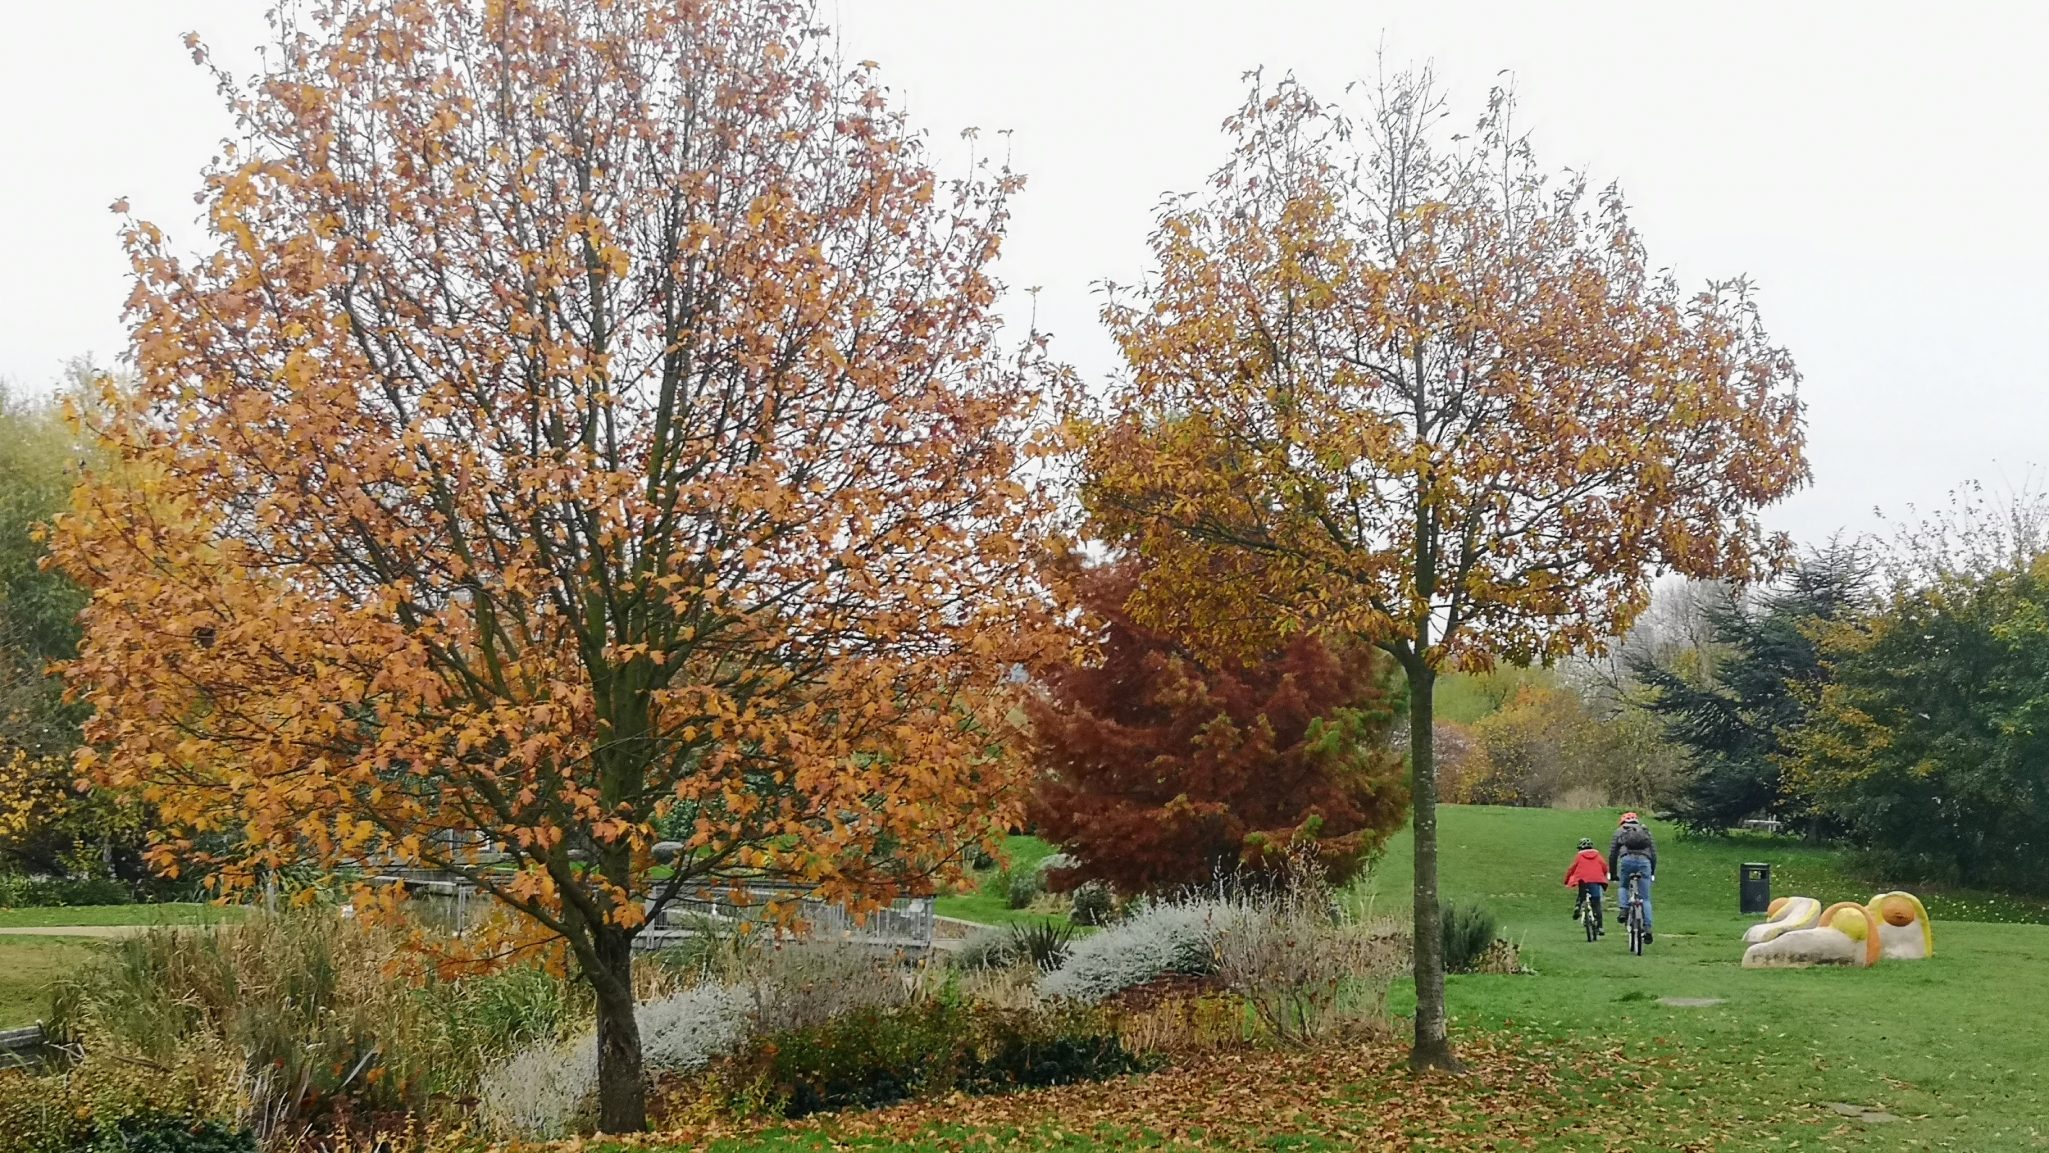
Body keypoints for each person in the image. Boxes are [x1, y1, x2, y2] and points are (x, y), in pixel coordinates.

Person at [1608, 812, 1657, 943]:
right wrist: (1652, 871)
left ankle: (1624, 909)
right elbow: (1653, 853)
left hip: (1627, 860)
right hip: (1644, 862)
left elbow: (1613, 854)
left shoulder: (1620, 831)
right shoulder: (1645, 831)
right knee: (1645, 898)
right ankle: (1647, 928)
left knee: (1623, 886)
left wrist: (1613, 873)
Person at [1563, 836, 1609, 935]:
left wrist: (1566, 880)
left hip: (1582, 879)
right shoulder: (1598, 855)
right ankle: (1600, 927)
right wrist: (1603, 875)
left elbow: (1572, 868)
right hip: (1595, 879)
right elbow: (1604, 866)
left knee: (1582, 894)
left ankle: (1578, 906)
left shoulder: (1579, 856)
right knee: (1596, 903)